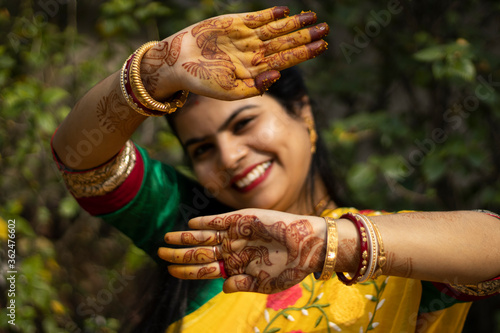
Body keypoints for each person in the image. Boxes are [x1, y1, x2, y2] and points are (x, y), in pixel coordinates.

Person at [51, 6, 500, 333]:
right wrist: (156, 69)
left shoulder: (399, 248)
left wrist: (326, 243)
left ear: (303, 115)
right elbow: (80, 158)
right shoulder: (201, 240)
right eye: (203, 149)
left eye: (244, 123)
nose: (228, 156)